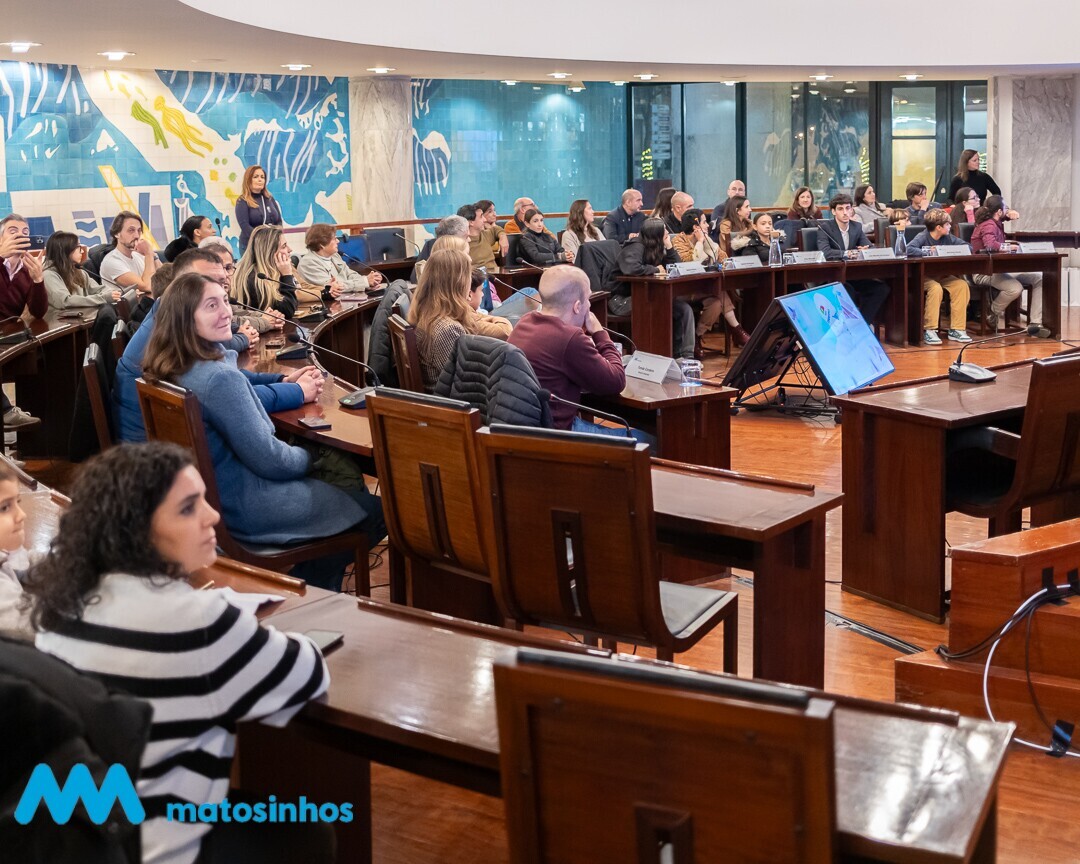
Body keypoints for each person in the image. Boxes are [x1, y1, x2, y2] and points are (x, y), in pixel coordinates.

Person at [25, 442, 336, 864]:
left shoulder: (62, 607)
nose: (213, 516)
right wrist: (239, 629)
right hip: (159, 847)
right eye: (189, 508)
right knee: (309, 829)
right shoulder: (198, 622)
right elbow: (308, 674)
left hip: (81, 834)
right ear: (137, 531)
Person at [142, 273, 384, 588]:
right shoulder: (219, 379)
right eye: (211, 306)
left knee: (350, 496)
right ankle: (306, 591)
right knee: (377, 511)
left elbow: (240, 383)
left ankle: (316, 585)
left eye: (225, 301)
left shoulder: (176, 366)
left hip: (217, 499)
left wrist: (283, 382)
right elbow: (273, 461)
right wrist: (311, 457)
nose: (226, 313)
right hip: (248, 507)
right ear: (185, 318)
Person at [113, 248, 276, 443]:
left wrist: (280, 380)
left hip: (168, 442)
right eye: (204, 281)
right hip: (156, 451)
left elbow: (234, 389)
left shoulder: (170, 312)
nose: (215, 288)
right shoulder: (173, 329)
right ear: (181, 285)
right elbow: (233, 400)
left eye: (221, 282)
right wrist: (296, 391)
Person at [509, 266, 643, 441]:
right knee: (648, 440)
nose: (589, 305)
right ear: (578, 306)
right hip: (558, 437)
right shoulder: (569, 338)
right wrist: (599, 333)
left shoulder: (524, 322)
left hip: (528, 432)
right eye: (588, 299)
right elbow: (616, 381)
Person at [408, 248, 512, 389]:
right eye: (467, 275)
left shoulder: (429, 312)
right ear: (457, 282)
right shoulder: (447, 329)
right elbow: (464, 384)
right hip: (451, 400)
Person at [609, 218, 694, 359]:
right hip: (621, 300)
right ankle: (655, 354)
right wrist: (655, 269)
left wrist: (669, 246)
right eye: (664, 230)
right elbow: (631, 268)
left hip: (649, 295)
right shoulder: (635, 246)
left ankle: (686, 356)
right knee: (660, 307)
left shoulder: (656, 246)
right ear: (655, 234)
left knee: (684, 310)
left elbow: (676, 267)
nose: (667, 232)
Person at [971, 195, 1046, 336]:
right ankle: (992, 312)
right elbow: (990, 245)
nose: (1007, 210)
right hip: (983, 272)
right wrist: (1009, 247)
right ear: (999, 211)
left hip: (1000, 270)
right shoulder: (988, 224)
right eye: (1005, 208)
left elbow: (1001, 222)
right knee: (1015, 288)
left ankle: (1035, 323)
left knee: (1038, 278)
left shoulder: (995, 222)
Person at [675, 209, 749, 348]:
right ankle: (738, 331)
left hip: (703, 288)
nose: (708, 225)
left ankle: (697, 336)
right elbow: (690, 263)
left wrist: (707, 242)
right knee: (720, 292)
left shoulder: (707, 240)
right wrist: (700, 242)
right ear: (696, 227)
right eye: (704, 222)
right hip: (683, 290)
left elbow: (723, 258)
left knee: (716, 302)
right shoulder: (678, 241)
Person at [0, 214, 48, 429]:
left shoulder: (27, 269)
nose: (20, 235)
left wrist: (38, 280)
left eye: (25, 232)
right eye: (13, 231)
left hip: (7, 335)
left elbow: (38, 311)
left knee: (43, 353)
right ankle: (6, 411)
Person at [816, 194, 889, 324]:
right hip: (831, 277)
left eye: (848, 208)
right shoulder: (825, 228)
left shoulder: (856, 227)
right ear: (833, 211)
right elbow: (825, 252)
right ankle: (848, 326)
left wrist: (866, 250)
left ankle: (862, 324)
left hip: (853, 275)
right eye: (840, 209)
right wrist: (847, 253)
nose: (845, 212)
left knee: (881, 288)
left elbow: (869, 246)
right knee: (846, 289)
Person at [906, 209, 972, 344]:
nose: (950, 226)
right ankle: (929, 330)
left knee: (961, 285)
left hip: (942, 275)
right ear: (938, 227)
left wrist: (949, 250)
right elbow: (909, 249)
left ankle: (957, 329)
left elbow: (968, 247)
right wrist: (927, 252)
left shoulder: (948, 237)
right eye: (947, 224)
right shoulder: (923, 236)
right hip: (923, 276)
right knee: (935, 288)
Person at [231, 224, 298, 327]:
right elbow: (287, 311)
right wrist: (287, 275)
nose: (290, 249)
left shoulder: (271, 273)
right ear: (270, 251)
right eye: (284, 246)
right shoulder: (256, 278)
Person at [297, 223, 382, 300]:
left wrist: (369, 283)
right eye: (334, 239)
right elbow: (332, 287)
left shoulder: (334, 255)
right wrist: (364, 282)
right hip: (326, 305)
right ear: (322, 245)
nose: (338, 241)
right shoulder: (308, 264)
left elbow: (350, 274)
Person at [42, 231, 121, 310]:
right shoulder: (49, 275)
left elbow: (98, 289)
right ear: (65, 250)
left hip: (83, 315)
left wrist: (112, 293)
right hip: (62, 317)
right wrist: (103, 298)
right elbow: (65, 301)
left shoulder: (78, 271)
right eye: (78, 247)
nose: (82, 251)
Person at [0, 462, 33, 641]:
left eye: (17, 502)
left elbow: (24, 563)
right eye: (5, 507)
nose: (21, 515)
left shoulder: (5, 552)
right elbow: (40, 628)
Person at [99, 210, 158, 297]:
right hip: (128, 305)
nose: (137, 235)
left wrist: (153, 255)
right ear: (117, 234)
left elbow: (166, 279)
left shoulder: (138, 255)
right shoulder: (111, 261)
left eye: (139, 230)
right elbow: (148, 286)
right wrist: (148, 254)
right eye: (131, 230)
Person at [235, 165, 283, 252]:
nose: (260, 180)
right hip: (251, 246)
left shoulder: (269, 198)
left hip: (271, 245)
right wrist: (263, 239)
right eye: (256, 177)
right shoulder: (242, 201)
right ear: (248, 180)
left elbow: (279, 221)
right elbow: (245, 226)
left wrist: (276, 236)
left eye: (262, 177)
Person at [457, 203, 497, 270]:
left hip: (495, 274)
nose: (485, 220)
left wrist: (502, 236)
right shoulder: (460, 244)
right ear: (471, 222)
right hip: (477, 275)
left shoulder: (485, 234)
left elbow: (496, 230)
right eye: (481, 216)